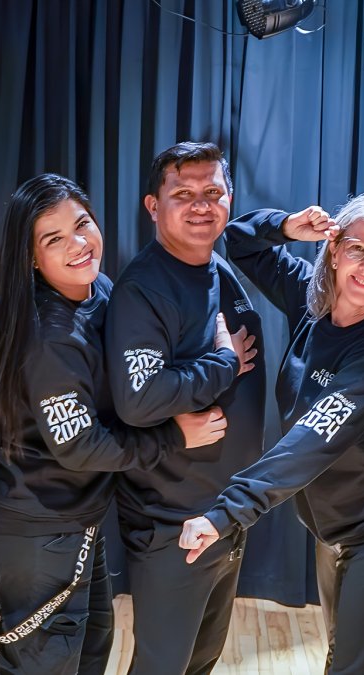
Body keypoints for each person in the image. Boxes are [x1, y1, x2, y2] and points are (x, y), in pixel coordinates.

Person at [0, 173, 228, 674]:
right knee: (48, 662)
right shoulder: (50, 338)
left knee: (89, 650)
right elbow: (81, 447)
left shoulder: (99, 292)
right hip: (35, 530)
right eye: (53, 238)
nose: (78, 243)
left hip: (76, 519)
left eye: (82, 224)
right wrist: (175, 435)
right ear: (30, 257)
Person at [179, 192, 364, 675]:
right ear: (333, 249)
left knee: (349, 667)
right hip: (329, 532)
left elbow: (309, 443)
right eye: (357, 248)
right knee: (356, 663)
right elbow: (240, 240)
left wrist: (228, 511)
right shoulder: (312, 303)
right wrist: (288, 226)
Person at [104, 141, 261, 675]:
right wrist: (222, 363)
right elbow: (140, 397)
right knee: (163, 666)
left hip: (222, 514)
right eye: (184, 194)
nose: (201, 205)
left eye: (213, 192)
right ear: (153, 205)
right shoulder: (143, 289)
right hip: (172, 522)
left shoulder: (216, 265)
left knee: (199, 663)